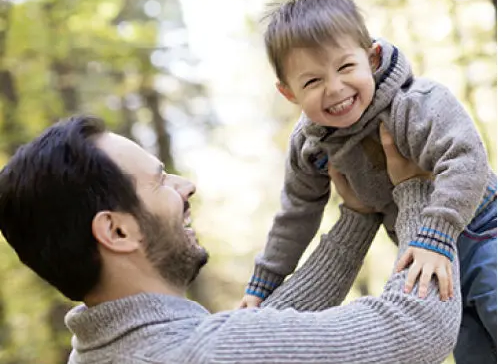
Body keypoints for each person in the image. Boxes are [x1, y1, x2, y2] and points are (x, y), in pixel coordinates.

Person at [0, 115, 460, 363]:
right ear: (117, 231)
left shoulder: (99, 354)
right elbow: (418, 329)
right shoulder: (203, 353)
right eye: (161, 181)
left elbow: (266, 334)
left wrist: (356, 216)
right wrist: (417, 187)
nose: (186, 186)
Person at [240, 0, 497, 364]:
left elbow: (466, 158)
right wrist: (265, 282)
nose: (336, 88)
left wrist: (437, 234)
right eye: (312, 81)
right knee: (474, 350)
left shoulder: (415, 103)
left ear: (371, 56)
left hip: (481, 228)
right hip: (423, 250)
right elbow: (296, 213)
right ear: (288, 93)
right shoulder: (311, 147)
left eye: (346, 68)